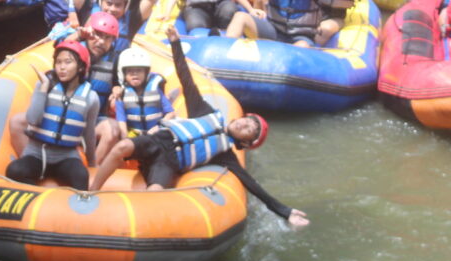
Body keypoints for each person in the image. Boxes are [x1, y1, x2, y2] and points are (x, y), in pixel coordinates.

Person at [89, 27, 309, 229]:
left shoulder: (225, 155)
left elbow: (253, 186)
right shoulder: (204, 111)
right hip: (159, 140)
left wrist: (285, 212)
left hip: (169, 163)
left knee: (154, 193)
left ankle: (126, 225)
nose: (244, 123)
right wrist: (175, 44)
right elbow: (186, 78)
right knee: (123, 146)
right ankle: (92, 191)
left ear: (244, 143)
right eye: (247, 120)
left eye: (249, 130)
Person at [5, 39, 98, 190]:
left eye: (68, 62)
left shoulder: (91, 98)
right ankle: (39, 200)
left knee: (81, 177)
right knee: (14, 171)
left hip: (66, 157)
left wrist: (93, 163)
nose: (62, 67)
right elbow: (33, 119)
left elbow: (89, 134)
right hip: (36, 154)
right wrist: (43, 90)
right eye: (58, 62)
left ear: (81, 66)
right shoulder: (43, 85)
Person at [94, 46, 176, 163]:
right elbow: (122, 123)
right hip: (135, 136)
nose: (135, 74)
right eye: (130, 71)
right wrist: (125, 141)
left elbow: (171, 113)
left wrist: (159, 126)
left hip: (156, 133)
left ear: (146, 72)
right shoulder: (121, 95)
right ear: (124, 74)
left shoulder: (155, 90)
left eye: (139, 70)